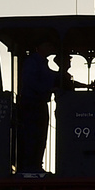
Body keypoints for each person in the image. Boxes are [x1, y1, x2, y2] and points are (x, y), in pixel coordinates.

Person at [15, 42, 55, 175]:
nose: (50, 47)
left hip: (39, 103)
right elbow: (30, 82)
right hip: (32, 105)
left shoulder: (41, 63)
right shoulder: (32, 62)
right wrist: (47, 88)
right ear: (40, 46)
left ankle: (36, 163)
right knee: (33, 134)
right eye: (48, 44)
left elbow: (51, 77)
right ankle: (30, 165)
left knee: (40, 135)